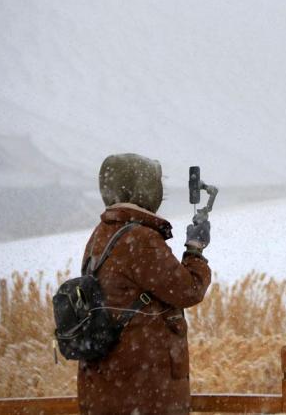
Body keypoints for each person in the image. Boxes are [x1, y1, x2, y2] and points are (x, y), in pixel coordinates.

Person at [78, 153, 212, 415]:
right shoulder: (139, 238)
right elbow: (188, 290)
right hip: (143, 390)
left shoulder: (101, 234)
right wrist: (195, 250)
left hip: (108, 384)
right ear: (146, 190)